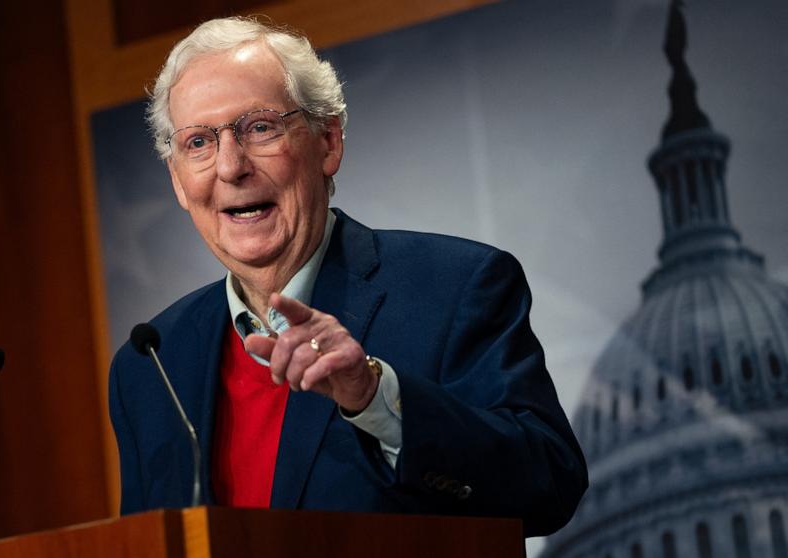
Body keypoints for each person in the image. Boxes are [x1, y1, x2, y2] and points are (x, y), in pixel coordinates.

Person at [108, 16, 587, 537]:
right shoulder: (150, 364)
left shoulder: (457, 288)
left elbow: (550, 484)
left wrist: (376, 399)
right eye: (198, 142)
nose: (230, 167)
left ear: (328, 142)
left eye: (260, 127)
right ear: (178, 181)